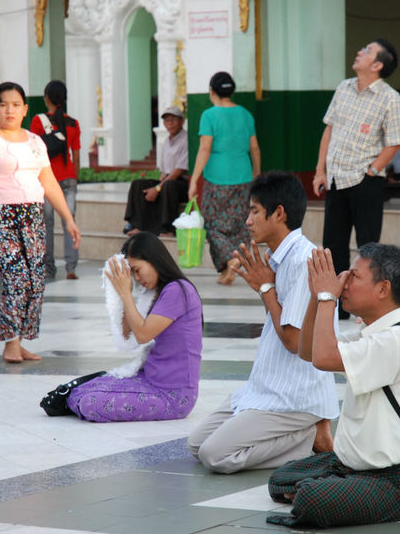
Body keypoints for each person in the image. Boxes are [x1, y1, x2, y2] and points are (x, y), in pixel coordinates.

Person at [265, 243, 400, 528]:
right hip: (352, 467)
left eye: (353, 276)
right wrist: (316, 296)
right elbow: (308, 350)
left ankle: (337, 490)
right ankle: (343, 485)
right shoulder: (372, 332)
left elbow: (322, 357)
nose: (343, 282)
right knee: (280, 479)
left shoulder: (397, 340)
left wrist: (327, 295)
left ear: (382, 289)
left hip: (397, 481)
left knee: (310, 499)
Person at [188, 172, 339, 474]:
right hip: (265, 387)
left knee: (215, 456)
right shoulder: (275, 257)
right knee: (196, 444)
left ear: (279, 213)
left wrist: (266, 290)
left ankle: (310, 436)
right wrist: (266, 286)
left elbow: (295, 342)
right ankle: (305, 435)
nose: (247, 220)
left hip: (294, 396)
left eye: (254, 211)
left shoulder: (303, 260)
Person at [0, 82, 81, 363]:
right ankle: (10, 342)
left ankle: (21, 339)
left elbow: (48, 181)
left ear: (25, 109)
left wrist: (68, 219)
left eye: (15, 105)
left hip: (32, 214)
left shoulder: (35, 142)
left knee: (36, 280)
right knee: (16, 278)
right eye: (3, 104)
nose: (9, 110)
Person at [312, 39, 400, 320]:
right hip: (337, 180)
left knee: (368, 249)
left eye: (366, 51)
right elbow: (329, 131)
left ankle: (368, 306)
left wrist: (373, 171)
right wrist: (320, 170)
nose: (359, 52)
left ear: (377, 65)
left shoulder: (390, 98)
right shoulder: (344, 87)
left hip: (366, 181)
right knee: (333, 246)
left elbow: (394, 142)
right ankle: (337, 308)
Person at [67, 232, 202, 421]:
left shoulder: (178, 290)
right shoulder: (157, 291)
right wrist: (122, 291)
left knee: (89, 402)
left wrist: (126, 294)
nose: (136, 278)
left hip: (174, 395)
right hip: (151, 380)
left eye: (137, 270)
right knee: (79, 390)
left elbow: (143, 335)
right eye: (132, 273)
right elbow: (127, 334)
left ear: (154, 260)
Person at [188, 72, 260, 285]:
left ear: (212, 91)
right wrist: (256, 176)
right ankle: (232, 264)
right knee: (241, 223)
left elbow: (205, 147)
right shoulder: (245, 114)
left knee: (211, 224)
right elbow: (254, 148)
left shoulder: (209, 116)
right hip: (244, 176)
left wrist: (194, 179)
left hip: (218, 178)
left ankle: (230, 259)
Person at [29, 80, 82, 280]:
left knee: (47, 224)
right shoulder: (73, 123)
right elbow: (76, 155)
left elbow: (33, 150)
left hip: (47, 179)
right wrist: (75, 177)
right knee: (70, 221)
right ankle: (71, 267)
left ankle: (49, 268)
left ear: (47, 99)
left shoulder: (38, 121)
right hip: (68, 179)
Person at [123, 106, 189, 236]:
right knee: (138, 184)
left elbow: (179, 171)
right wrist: (157, 186)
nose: (169, 124)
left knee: (168, 186)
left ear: (182, 121)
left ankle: (168, 229)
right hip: (168, 179)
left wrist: (158, 188)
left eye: (173, 120)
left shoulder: (186, 140)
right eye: (166, 121)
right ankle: (137, 225)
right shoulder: (166, 141)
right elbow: (164, 172)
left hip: (182, 182)